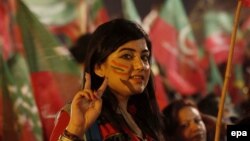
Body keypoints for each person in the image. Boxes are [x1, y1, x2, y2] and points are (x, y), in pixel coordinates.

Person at [50, 18, 166, 141]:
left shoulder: (145, 118)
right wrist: (76, 129)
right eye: (127, 56)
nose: (141, 65)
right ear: (99, 67)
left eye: (144, 57)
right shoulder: (77, 113)